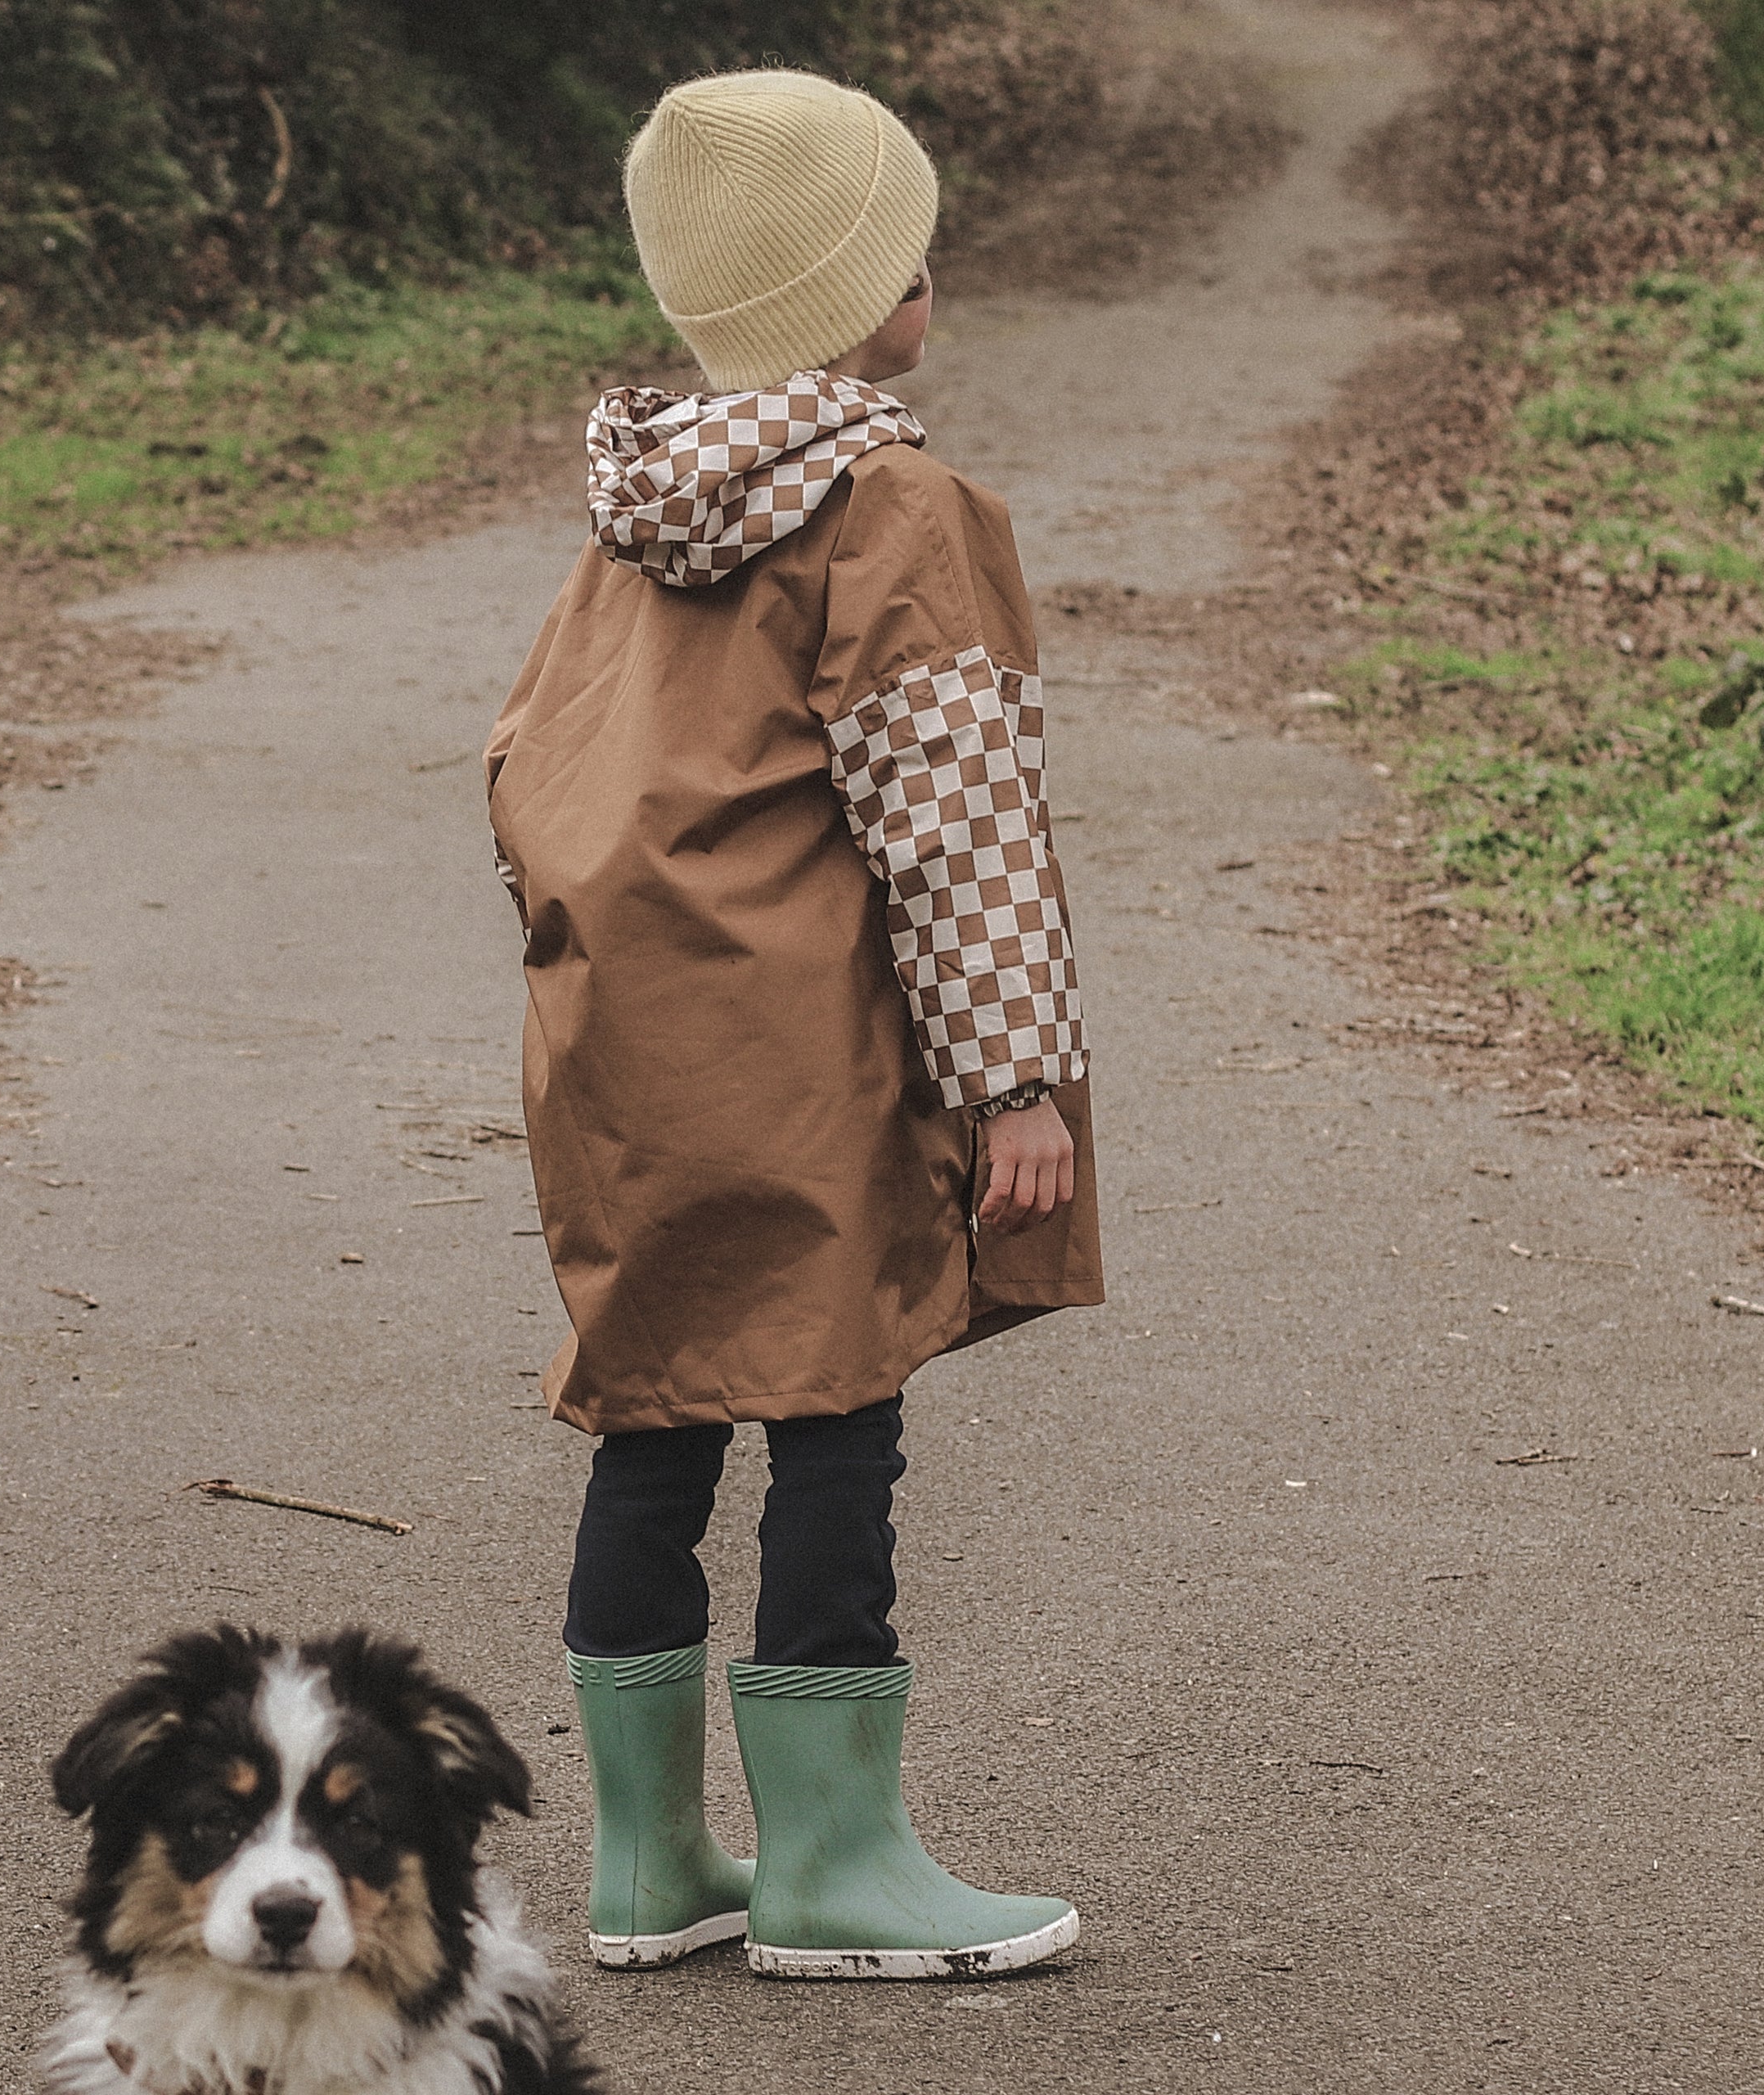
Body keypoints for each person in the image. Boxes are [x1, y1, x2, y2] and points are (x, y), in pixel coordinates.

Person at [483, 68, 1104, 1983]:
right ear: (847, 297)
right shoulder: (886, 504)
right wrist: (1014, 1073)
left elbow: (531, 765)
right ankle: (834, 1863)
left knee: (658, 1411)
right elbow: (953, 816)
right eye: (899, 249)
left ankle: (650, 1860)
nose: (928, 271)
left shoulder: (632, 505)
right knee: (839, 1413)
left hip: (632, 1049)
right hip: (809, 1044)